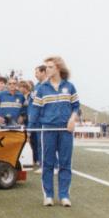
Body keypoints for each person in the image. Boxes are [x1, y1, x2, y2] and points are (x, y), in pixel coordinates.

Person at [33, 56, 80, 207]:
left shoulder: (70, 87)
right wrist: (31, 128)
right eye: (46, 67)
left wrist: (72, 119)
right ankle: (48, 195)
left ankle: (64, 195)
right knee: (47, 163)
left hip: (65, 130)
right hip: (48, 130)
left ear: (58, 68)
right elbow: (35, 111)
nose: (47, 69)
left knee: (65, 163)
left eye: (50, 67)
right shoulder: (41, 89)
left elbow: (76, 107)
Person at [27, 65, 46, 170]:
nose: (35, 74)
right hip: (36, 118)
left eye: (37, 72)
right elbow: (32, 103)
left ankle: (48, 165)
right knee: (39, 142)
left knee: (45, 143)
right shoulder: (37, 86)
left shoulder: (48, 85)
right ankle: (41, 163)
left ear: (43, 72)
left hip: (44, 118)